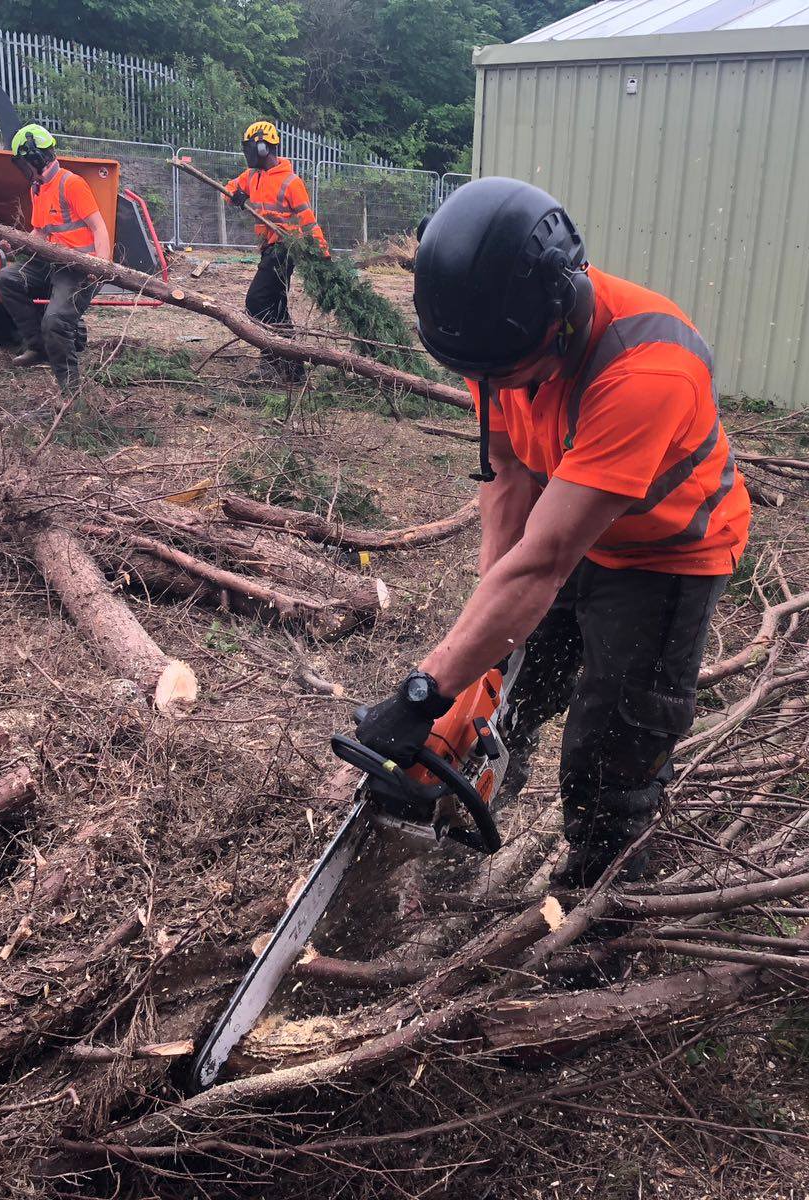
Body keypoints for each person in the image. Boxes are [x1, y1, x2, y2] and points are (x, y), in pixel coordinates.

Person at [351, 177, 752, 887]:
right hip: (566, 525)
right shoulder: (491, 334)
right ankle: (459, 829)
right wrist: (479, 638)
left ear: (560, 318)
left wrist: (422, 691)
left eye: (505, 372)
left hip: (667, 555)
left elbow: (544, 561)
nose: (493, 385)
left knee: (611, 746)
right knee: (509, 695)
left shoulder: (648, 368)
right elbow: (507, 476)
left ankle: (599, 917)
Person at [0, 123, 111, 391]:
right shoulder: (37, 189)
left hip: (80, 267)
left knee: (56, 321)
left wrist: (100, 266)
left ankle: (72, 393)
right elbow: (40, 232)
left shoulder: (71, 184)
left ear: (35, 157)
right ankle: (38, 347)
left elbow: (98, 227)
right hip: (51, 261)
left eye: (24, 162)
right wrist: (15, 246)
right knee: (6, 279)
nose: (23, 169)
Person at [224, 120, 330, 383]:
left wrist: (324, 255)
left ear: (263, 147)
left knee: (256, 302)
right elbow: (227, 189)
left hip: (285, 248)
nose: (247, 153)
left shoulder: (291, 182)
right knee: (277, 307)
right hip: (268, 247)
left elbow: (308, 220)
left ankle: (273, 359)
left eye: (250, 147)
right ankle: (292, 368)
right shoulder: (252, 176)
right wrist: (236, 197)